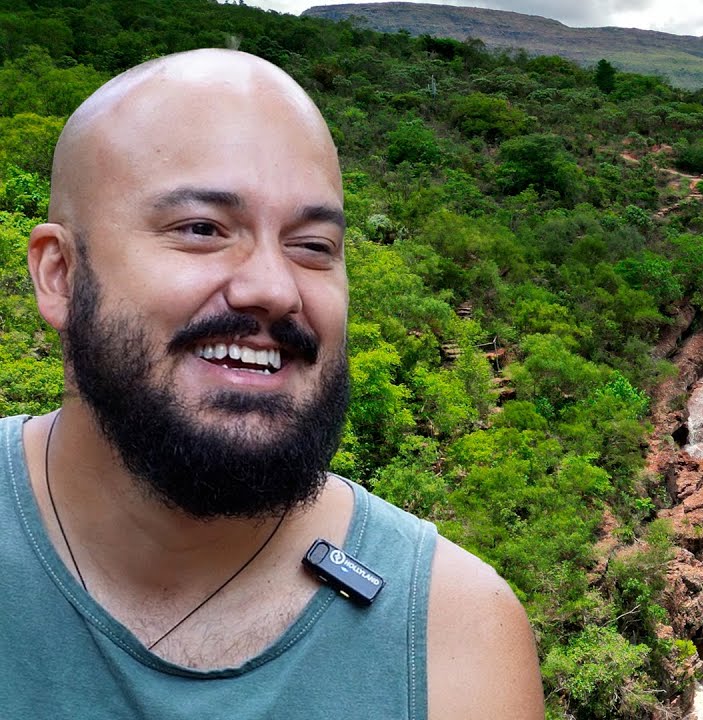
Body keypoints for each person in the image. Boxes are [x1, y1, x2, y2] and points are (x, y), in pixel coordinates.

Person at [1, 48, 544, 718]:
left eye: (312, 246)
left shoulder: (454, 637)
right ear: (58, 273)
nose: (272, 288)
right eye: (202, 229)